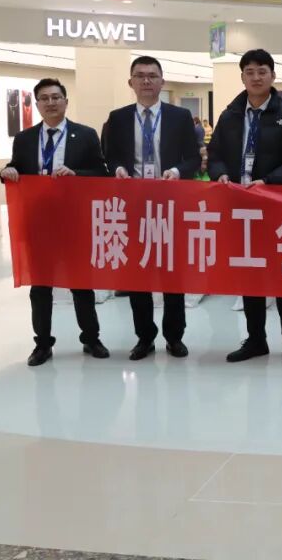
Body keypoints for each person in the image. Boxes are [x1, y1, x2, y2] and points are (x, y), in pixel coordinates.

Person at [208, 49, 282, 364]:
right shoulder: (230, 115)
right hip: (241, 208)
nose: (256, 77)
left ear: (273, 76)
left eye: (262, 71)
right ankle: (256, 339)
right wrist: (220, 173)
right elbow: (215, 154)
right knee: (250, 275)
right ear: (242, 77)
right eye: (250, 72)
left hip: (277, 208)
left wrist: (269, 181)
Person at [0, 78, 109, 366]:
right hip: (39, 224)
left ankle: (91, 338)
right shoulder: (24, 139)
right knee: (40, 288)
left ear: (66, 101)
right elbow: (16, 167)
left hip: (74, 222)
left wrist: (76, 174)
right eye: (45, 98)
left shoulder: (85, 135)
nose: (51, 103)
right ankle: (43, 344)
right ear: (37, 104)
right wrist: (7, 171)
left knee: (81, 285)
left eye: (56, 97)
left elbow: (101, 172)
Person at [102, 56, 201, 361]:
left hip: (170, 205)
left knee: (172, 274)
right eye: (140, 75)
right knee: (138, 275)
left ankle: (174, 336)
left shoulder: (180, 117)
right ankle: (144, 337)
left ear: (162, 81)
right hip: (133, 207)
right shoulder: (117, 118)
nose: (146, 81)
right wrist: (117, 169)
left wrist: (177, 171)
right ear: (130, 82)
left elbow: (193, 159)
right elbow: (109, 156)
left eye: (152, 76)